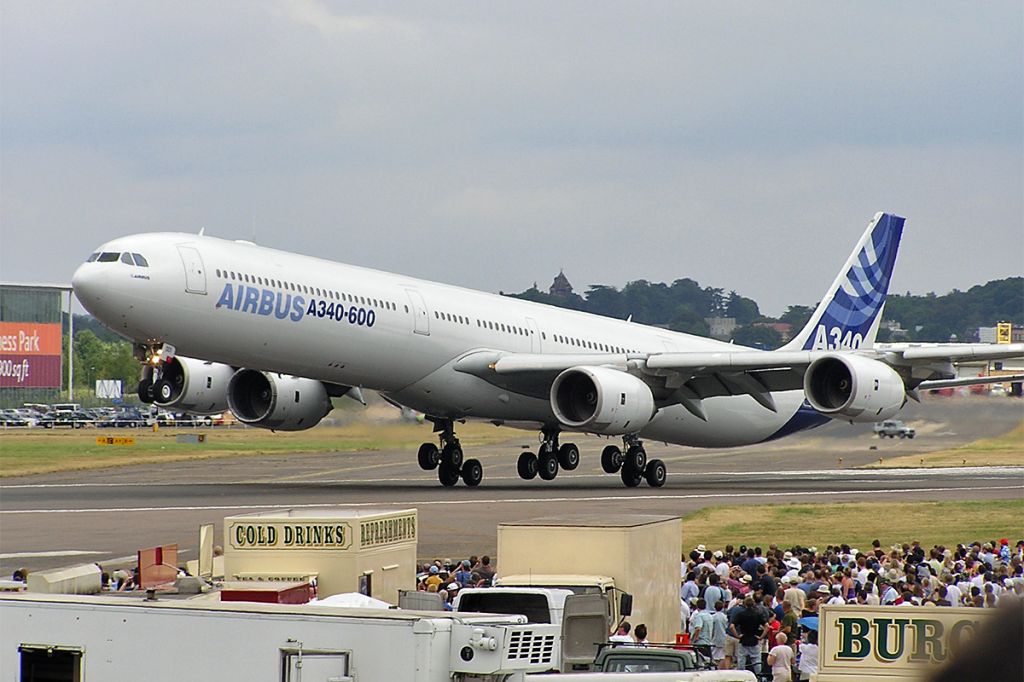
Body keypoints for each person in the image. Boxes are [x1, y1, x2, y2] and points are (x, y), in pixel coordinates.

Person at [729, 596, 766, 676]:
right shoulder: (758, 614)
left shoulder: (741, 614)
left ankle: (741, 677)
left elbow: (732, 626)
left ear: (744, 604)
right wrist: (761, 637)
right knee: (756, 662)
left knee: (741, 662)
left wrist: (737, 636)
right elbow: (767, 626)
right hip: (754, 639)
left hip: (744, 639)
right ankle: (759, 677)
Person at [688, 598, 714, 662]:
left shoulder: (699, 616)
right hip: (708, 641)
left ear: (697, 606)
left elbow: (698, 628)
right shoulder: (709, 616)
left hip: (700, 642)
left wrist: (695, 638)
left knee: (701, 661)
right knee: (708, 661)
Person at [710, 600, 729, 668]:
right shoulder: (725, 617)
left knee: (714, 656)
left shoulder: (713, 617)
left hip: (715, 638)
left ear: (714, 607)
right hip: (724, 638)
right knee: (722, 656)